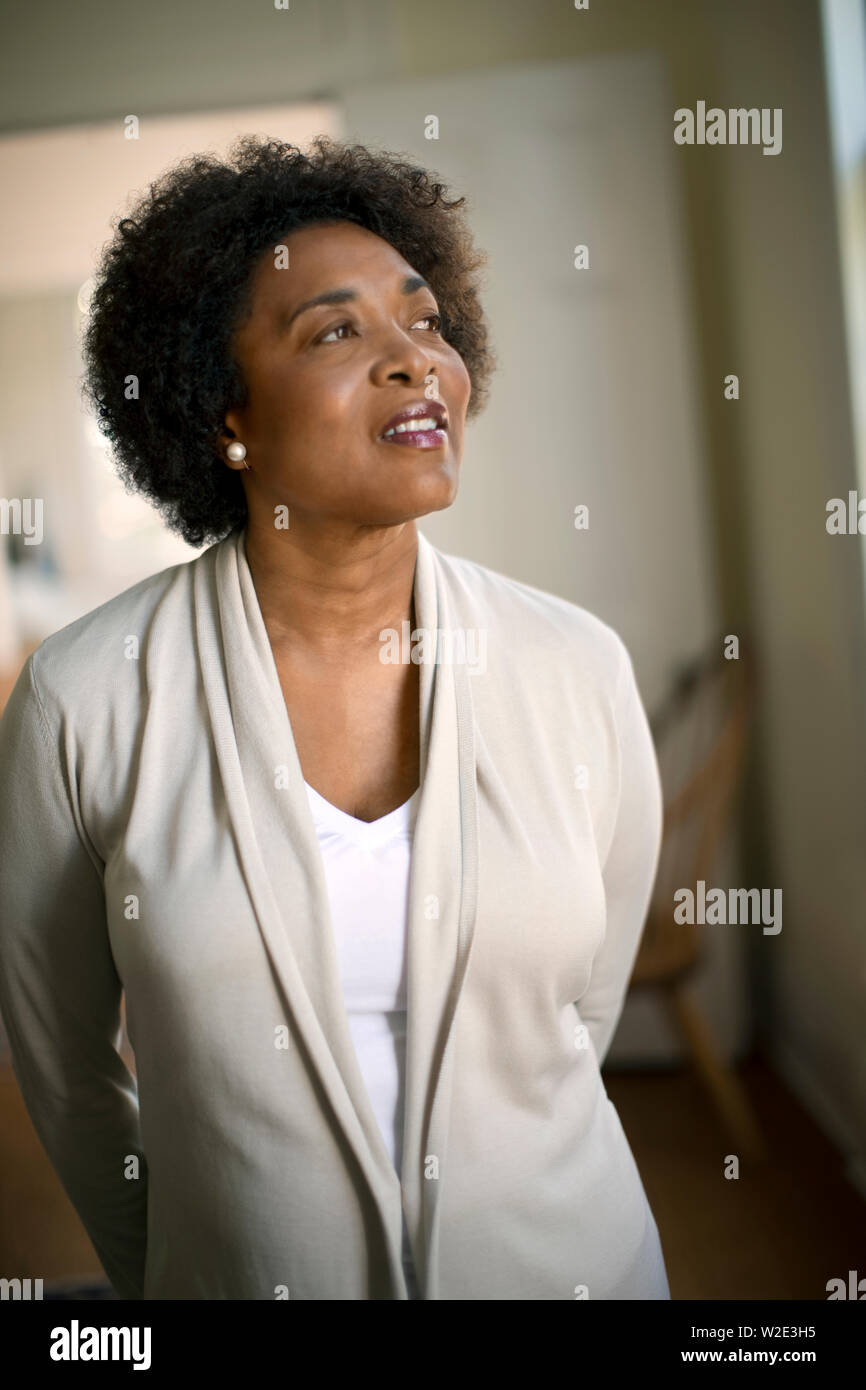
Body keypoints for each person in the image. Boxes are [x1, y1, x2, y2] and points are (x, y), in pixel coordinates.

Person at [0, 135, 669, 1300]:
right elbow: (61, 1062)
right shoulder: (84, 697)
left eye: (424, 321)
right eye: (335, 331)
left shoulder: (575, 668)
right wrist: (175, 1271)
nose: (415, 362)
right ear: (225, 419)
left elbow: (580, 1009)